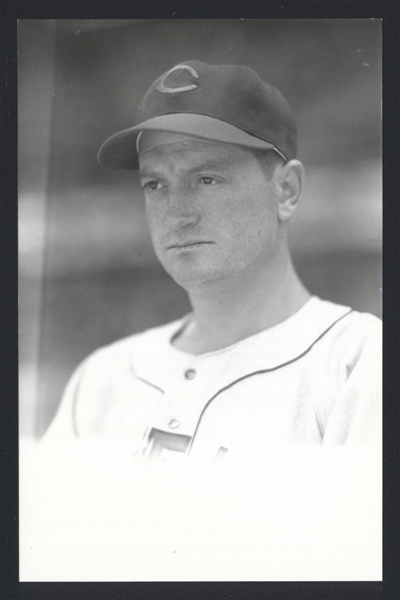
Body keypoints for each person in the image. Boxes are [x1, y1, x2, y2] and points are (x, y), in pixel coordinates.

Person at [43, 60, 381, 465]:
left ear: (287, 189)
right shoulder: (100, 381)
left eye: (207, 179)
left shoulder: (358, 366)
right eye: (156, 184)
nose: (177, 214)